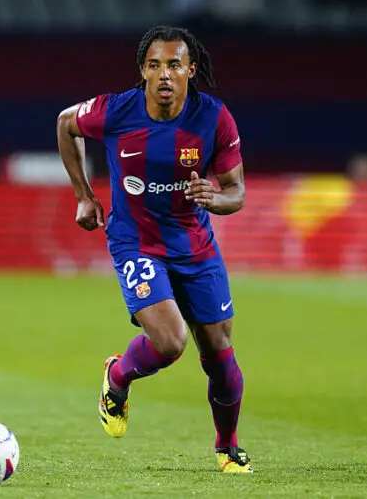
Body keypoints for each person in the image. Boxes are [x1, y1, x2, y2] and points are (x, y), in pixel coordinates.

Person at [56, 25, 251, 473]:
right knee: (169, 341)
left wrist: (213, 198)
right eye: (155, 65)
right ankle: (118, 375)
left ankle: (227, 446)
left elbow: (236, 191)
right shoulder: (115, 111)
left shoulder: (214, 118)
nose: (165, 74)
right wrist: (84, 195)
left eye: (175, 65)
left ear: (191, 70)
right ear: (143, 71)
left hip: (194, 244)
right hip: (136, 244)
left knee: (221, 358)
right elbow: (66, 124)